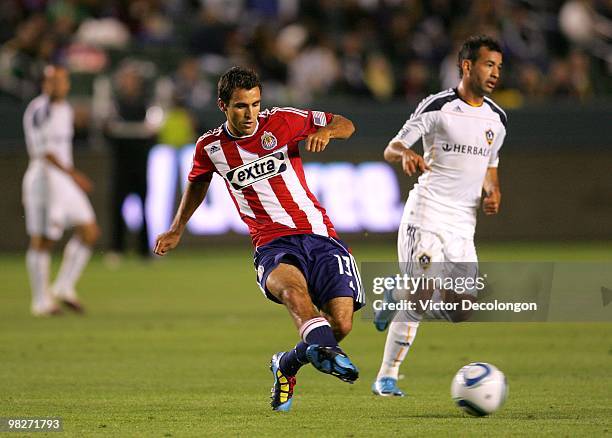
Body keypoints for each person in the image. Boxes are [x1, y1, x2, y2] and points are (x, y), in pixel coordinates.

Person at [154, 67, 363, 411]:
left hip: (319, 234)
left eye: (254, 104)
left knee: (340, 323)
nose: (250, 113)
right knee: (294, 294)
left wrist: (326, 131)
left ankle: (288, 364)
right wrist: (177, 228)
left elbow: (347, 123)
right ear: (223, 105)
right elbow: (198, 181)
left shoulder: (283, 120)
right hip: (271, 245)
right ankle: (330, 353)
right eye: (240, 106)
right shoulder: (210, 147)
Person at [371, 35, 507, 397]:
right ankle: (387, 376)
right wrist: (405, 155)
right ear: (467, 66)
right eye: (488, 65)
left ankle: (395, 294)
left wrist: (492, 193)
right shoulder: (437, 106)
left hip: (463, 224)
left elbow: (489, 170)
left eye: (498, 66)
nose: (495, 73)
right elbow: (392, 146)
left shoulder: (498, 119)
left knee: (462, 310)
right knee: (423, 288)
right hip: (427, 212)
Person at [22, 65, 100, 316]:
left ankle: (64, 287)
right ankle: (40, 301)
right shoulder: (38, 110)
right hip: (44, 179)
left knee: (89, 231)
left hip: (64, 180)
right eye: (52, 81)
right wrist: (74, 175)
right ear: (44, 84)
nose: (57, 85)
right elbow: (43, 152)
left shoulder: (65, 109)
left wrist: (70, 176)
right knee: (43, 240)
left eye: (62, 81)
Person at [105, 61, 157, 261]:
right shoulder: (115, 104)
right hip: (120, 165)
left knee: (144, 206)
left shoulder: (146, 104)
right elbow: (108, 130)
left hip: (140, 164)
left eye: (133, 79)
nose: (130, 83)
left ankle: (144, 250)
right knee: (117, 205)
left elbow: (152, 131)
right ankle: (116, 249)